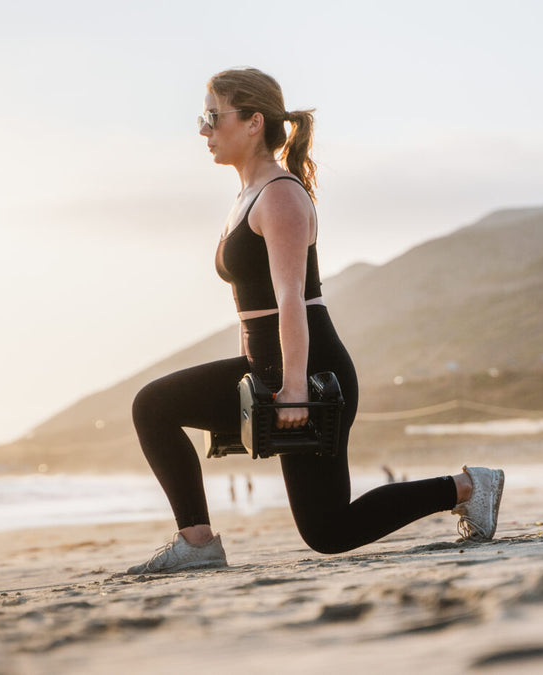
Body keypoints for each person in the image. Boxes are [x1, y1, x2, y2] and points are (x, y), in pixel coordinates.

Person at [128, 68, 504, 574]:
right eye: (204, 117)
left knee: (328, 532)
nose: (204, 129)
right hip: (271, 367)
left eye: (214, 116)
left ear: (254, 122)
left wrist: (294, 388)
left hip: (310, 370)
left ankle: (469, 487)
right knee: (157, 407)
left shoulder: (280, 195)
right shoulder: (246, 196)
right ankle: (197, 543)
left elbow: (290, 301)